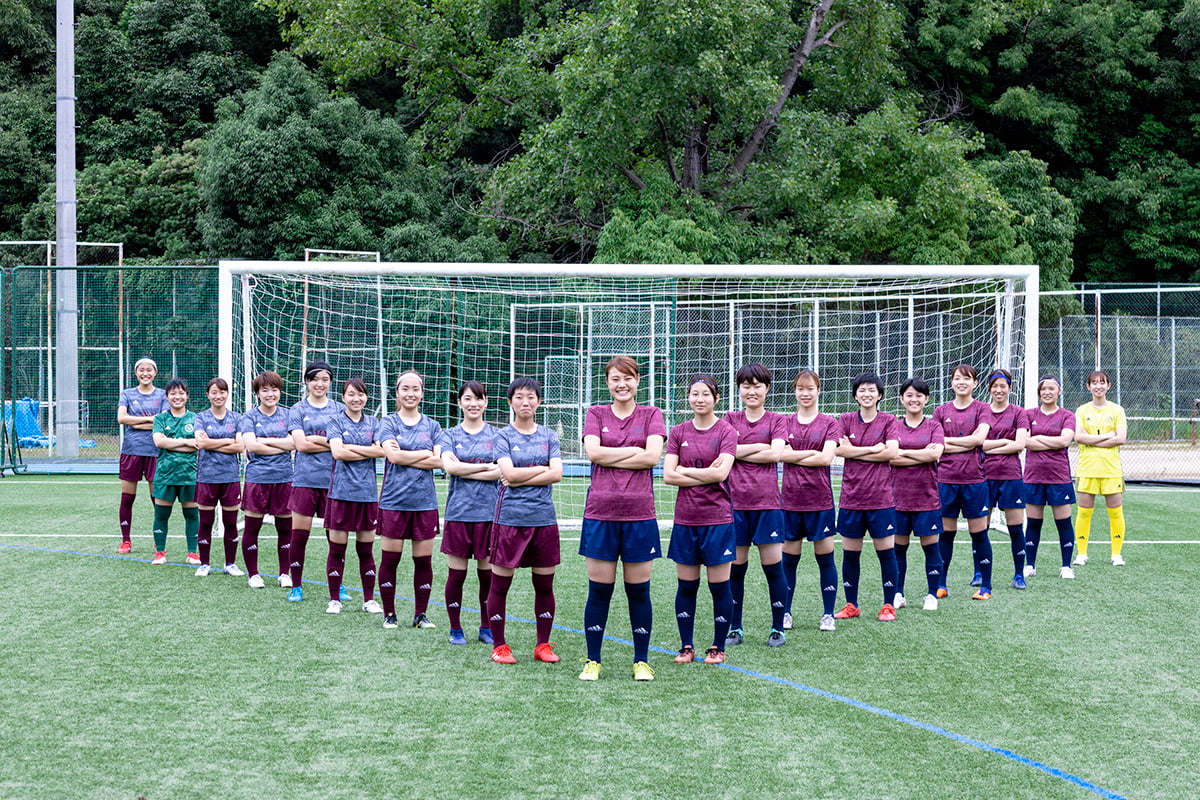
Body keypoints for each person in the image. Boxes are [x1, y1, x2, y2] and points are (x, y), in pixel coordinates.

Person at [578, 357, 665, 681]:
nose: (621, 384)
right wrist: (634, 451)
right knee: (599, 591)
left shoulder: (652, 414)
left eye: (627, 378)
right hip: (600, 514)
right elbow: (594, 454)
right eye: (615, 379)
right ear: (608, 382)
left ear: (637, 381)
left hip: (639, 514)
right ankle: (593, 660)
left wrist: (614, 453)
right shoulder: (596, 413)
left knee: (638, 591)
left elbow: (653, 456)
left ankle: (641, 660)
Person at [486, 377, 564, 665]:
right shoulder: (503, 436)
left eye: (531, 397)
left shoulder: (548, 436)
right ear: (510, 402)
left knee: (544, 585)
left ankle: (543, 645)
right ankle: (499, 646)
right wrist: (539, 469)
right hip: (509, 520)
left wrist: (521, 474)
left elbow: (556, 473)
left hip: (543, 519)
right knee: (500, 585)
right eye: (519, 397)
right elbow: (509, 475)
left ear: (538, 401)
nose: (525, 402)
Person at [664, 375, 737, 666]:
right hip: (686, 521)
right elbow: (669, 476)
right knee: (686, 587)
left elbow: (721, 475)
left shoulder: (727, 431)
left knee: (719, 587)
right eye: (694, 394)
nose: (699, 399)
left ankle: (718, 647)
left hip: (718, 520)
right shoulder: (679, 432)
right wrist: (704, 472)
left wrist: (686, 471)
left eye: (706, 394)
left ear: (716, 398)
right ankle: (686, 646)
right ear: (689, 398)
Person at [723, 363, 789, 649]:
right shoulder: (729, 418)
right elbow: (725, 451)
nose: (751, 391)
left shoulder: (776, 420)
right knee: (736, 570)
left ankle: (777, 627)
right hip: (734, 505)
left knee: (773, 568)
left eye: (757, 385)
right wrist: (756, 448)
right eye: (746, 386)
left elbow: (776, 453)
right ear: (739, 389)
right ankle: (735, 627)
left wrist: (740, 450)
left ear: (767, 388)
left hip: (767, 506)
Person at [833, 372, 901, 622]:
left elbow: (891, 453)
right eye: (862, 390)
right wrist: (874, 448)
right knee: (851, 553)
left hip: (880, 499)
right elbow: (839, 450)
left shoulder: (889, 420)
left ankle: (888, 605)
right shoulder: (846, 419)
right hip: (851, 498)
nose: (867, 394)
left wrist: (855, 452)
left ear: (879, 395)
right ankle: (851, 604)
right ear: (855, 395)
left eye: (872, 390)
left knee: (886, 553)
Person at [378, 370, 443, 630]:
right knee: (390, 560)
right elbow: (393, 458)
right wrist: (423, 454)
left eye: (415, 389)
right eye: (405, 389)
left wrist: (406, 453)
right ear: (397, 392)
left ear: (422, 393)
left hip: (425, 502)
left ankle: (420, 615)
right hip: (394, 502)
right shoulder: (389, 422)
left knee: (423, 561)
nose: (410, 394)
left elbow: (439, 461)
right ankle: (390, 614)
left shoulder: (432, 426)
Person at [440, 381, 502, 647]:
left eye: (478, 399)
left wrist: (463, 466)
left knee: (486, 575)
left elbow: (501, 471)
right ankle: (455, 628)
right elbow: (449, 468)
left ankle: (486, 627)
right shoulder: (449, 435)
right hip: (459, 514)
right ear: (459, 403)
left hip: (489, 515)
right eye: (468, 399)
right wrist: (484, 467)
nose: (473, 404)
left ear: (485, 402)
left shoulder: (498, 436)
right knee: (457, 574)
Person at [778, 370, 841, 631]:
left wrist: (793, 453)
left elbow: (827, 458)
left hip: (820, 502)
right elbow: (778, 453)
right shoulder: (784, 422)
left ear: (819, 390)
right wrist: (803, 454)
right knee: (788, 561)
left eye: (810, 388)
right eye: (800, 388)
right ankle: (785, 612)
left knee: (825, 558)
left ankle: (828, 614)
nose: (805, 393)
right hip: (790, 502)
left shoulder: (830, 423)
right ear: (794, 391)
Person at [286, 361, 345, 600]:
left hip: (335, 481)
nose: (319, 384)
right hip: (305, 480)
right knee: (299, 536)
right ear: (307, 382)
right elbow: (300, 444)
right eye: (314, 379)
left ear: (330, 382)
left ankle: (338, 585)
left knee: (336, 539)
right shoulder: (297, 409)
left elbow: (346, 444)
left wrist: (316, 440)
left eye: (324, 379)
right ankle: (296, 586)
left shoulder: (340, 409)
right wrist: (331, 442)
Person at [933, 364, 993, 600]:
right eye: (957, 378)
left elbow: (980, 439)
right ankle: (940, 584)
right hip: (945, 480)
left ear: (975, 383)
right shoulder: (940, 411)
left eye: (967, 379)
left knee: (979, 533)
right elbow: (937, 444)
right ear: (951, 382)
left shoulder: (982, 409)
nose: (962, 382)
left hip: (974, 481)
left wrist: (951, 442)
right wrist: (966, 442)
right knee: (946, 534)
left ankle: (985, 586)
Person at [324, 378, 384, 615]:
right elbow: (337, 452)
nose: (356, 398)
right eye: (351, 394)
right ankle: (334, 599)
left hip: (367, 496)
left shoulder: (374, 422)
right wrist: (367, 450)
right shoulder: (336, 420)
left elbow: (382, 451)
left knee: (366, 551)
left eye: (360, 394)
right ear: (343, 397)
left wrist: (352, 448)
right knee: (337, 550)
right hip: (341, 494)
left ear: (366, 397)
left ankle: (369, 599)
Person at [889, 377, 945, 611]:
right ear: (902, 399)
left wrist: (904, 453)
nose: (914, 399)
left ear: (926, 399)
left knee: (930, 548)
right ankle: (898, 593)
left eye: (919, 395)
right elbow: (890, 457)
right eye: (909, 395)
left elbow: (935, 455)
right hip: (897, 499)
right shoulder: (893, 425)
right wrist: (921, 452)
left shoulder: (934, 426)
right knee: (898, 549)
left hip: (926, 498)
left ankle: (932, 594)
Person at [239, 371, 295, 589]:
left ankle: (284, 573)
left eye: (274, 389)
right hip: (257, 479)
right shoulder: (249, 417)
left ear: (280, 391)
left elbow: (294, 444)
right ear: (258, 393)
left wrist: (264, 441)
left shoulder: (289, 415)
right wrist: (280, 443)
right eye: (265, 390)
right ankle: (253, 574)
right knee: (252, 528)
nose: (270, 394)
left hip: (284, 478)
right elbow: (251, 446)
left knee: (285, 530)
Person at [1023, 375, 1078, 579]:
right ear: (1039, 392)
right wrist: (1049, 441)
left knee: (1063, 523)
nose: (1047, 392)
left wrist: (1037, 438)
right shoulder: (1028, 415)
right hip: (1033, 477)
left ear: (1059, 391)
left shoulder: (1067, 415)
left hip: (1059, 477)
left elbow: (1064, 441)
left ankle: (1066, 566)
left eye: (1051, 388)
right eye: (1043, 388)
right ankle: (1030, 565)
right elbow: (1025, 442)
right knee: (1033, 523)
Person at [980, 369, 1030, 589]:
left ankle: (1019, 573)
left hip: (1011, 476)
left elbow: (1020, 445)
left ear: (1010, 387)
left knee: (1015, 526)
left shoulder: (1019, 413)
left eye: (1003, 385)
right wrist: (1004, 443)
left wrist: (990, 446)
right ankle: (979, 573)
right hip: (983, 476)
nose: (999, 390)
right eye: (995, 386)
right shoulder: (981, 412)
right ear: (989, 388)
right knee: (981, 527)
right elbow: (977, 444)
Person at [1073, 370, 1128, 566]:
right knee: (1084, 512)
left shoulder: (1117, 410)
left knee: (1115, 512)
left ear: (1108, 386)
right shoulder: (1081, 411)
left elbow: (1120, 439)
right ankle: (1081, 554)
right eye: (1094, 383)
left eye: (1102, 382)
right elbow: (1078, 437)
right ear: (1088, 387)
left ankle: (1116, 554)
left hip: (1111, 470)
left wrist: (1092, 440)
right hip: (1087, 469)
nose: (1098, 386)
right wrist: (1107, 437)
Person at [193, 378, 244, 577]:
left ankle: (230, 563)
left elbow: (240, 447)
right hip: (206, 477)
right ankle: (204, 563)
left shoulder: (237, 418)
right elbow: (201, 443)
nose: (218, 396)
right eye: (214, 392)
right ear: (208, 395)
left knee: (230, 523)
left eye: (222, 392)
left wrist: (212, 441)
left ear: (227, 394)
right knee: (205, 522)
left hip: (230, 477)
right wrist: (228, 441)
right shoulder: (201, 418)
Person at [116, 356, 168, 553]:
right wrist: (149, 421)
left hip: (156, 451)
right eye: (141, 370)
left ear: (155, 373)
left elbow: (162, 420)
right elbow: (121, 418)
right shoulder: (127, 394)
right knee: (127, 498)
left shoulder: (163, 395)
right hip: (131, 451)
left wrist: (134, 421)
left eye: (149, 370)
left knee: (157, 499)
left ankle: (159, 542)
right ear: (135, 373)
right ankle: (126, 541)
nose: (145, 373)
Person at [149, 378, 199, 565]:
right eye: (173, 393)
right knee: (161, 514)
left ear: (187, 395)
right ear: (167, 396)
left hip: (190, 474)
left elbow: (198, 445)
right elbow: (159, 442)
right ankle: (160, 553)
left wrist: (172, 442)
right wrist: (186, 441)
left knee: (192, 515)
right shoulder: (160, 419)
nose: (177, 397)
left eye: (181, 393)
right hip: (165, 474)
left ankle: (192, 553)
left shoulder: (196, 419)